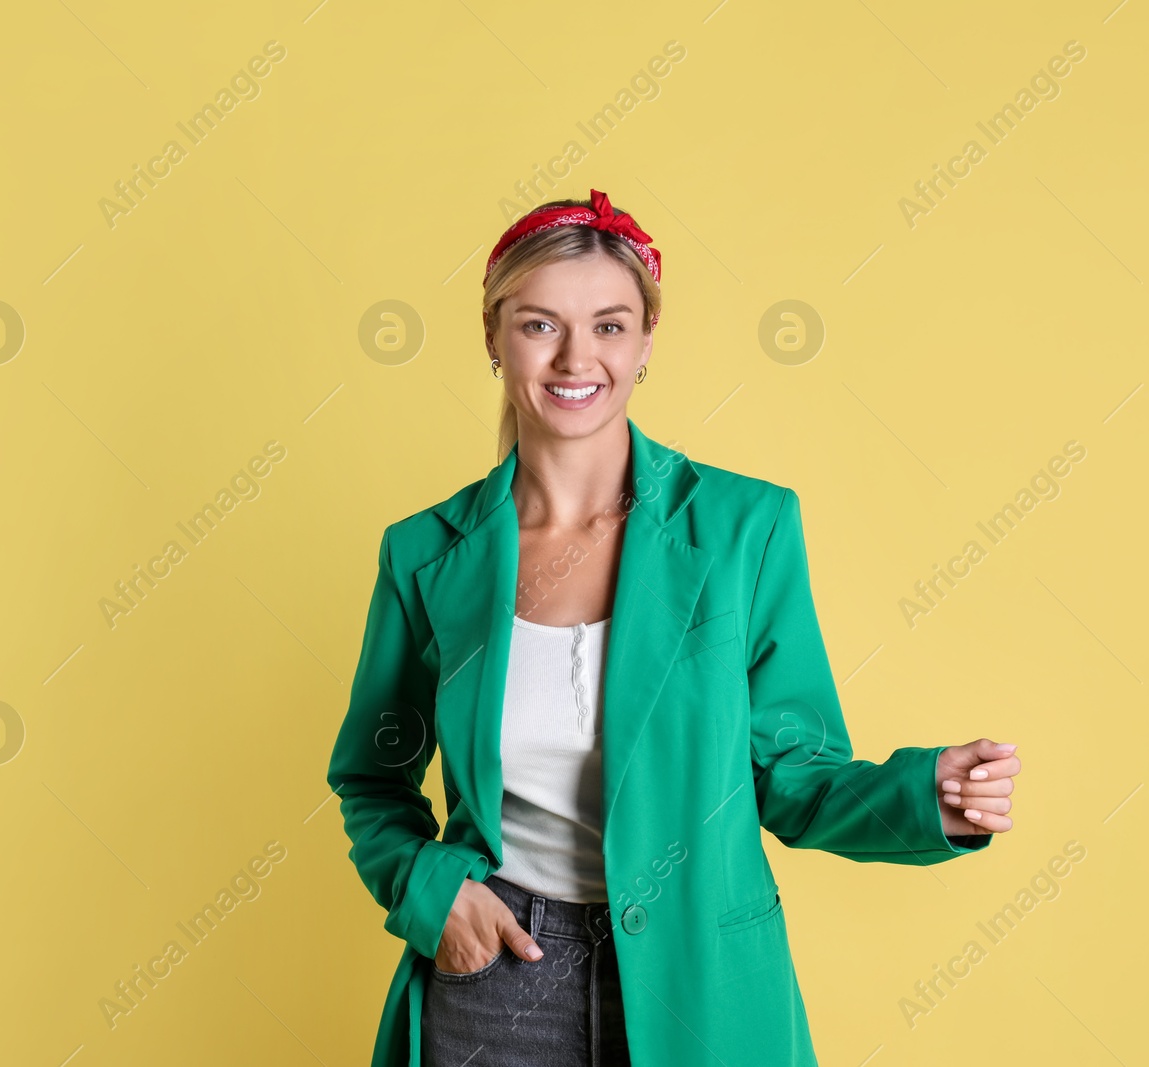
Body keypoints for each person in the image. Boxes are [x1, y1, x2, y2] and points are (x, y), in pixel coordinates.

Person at [326, 189, 1020, 1066]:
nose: (578, 356)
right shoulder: (425, 554)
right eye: (541, 324)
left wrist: (929, 796)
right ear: (494, 335)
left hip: (702, 977)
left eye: (610, 325)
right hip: (496, 971)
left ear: (647, 339)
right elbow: (371, 779)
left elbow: (789, 771)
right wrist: (434, 893)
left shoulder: (744, 530)